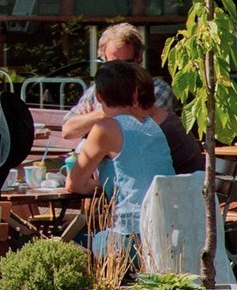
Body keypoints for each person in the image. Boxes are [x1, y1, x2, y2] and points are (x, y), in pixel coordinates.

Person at [65, 61, 174, 257]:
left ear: (98, 97)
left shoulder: (105, 128)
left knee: (67, 238)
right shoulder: (152, 126)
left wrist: (101, 186)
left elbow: (74, 184)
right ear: (134, 95)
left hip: (131, 238)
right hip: (166, 235)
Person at [62, 23, 202, 174]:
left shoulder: (155, 89)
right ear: (104, 60)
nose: (120, 70)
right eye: (114, 63)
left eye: (127, 63)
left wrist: (97, 119)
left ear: (139, 58)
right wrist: (102, 114)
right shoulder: (96, 90)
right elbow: (68, 130)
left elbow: (136, 128)